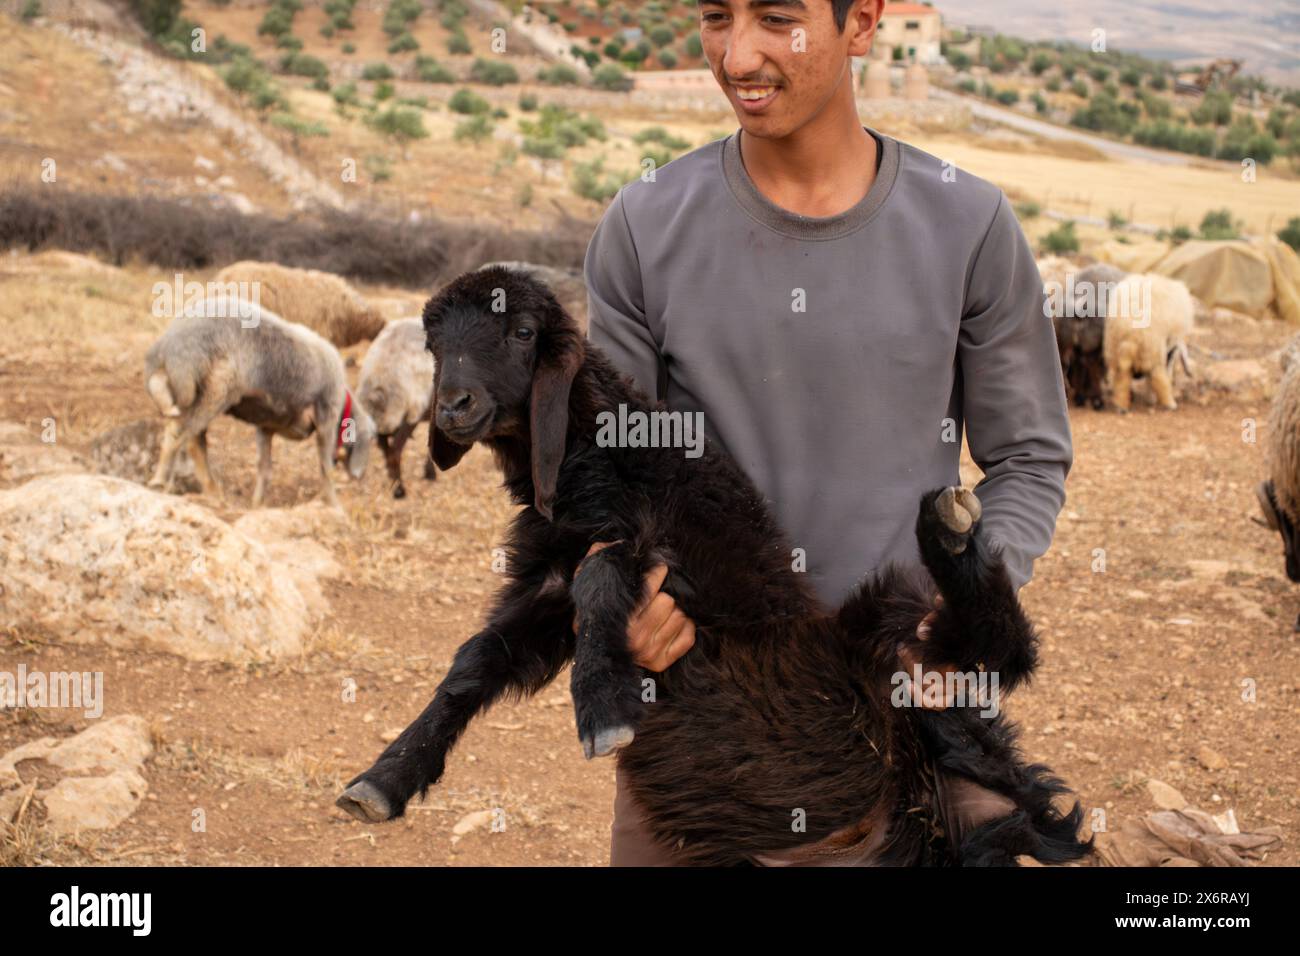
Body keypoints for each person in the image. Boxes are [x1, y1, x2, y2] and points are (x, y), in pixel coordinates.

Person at [578, 0, 1073, 865]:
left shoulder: (970, 227)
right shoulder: (641, 226)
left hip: (901, 721)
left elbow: (1028, 456)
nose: (738, 57)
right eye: (715, 17)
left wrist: (962, 598)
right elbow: (603, 476)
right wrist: (619, 593)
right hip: (703, 724)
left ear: (864, 21)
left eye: (776, 18)